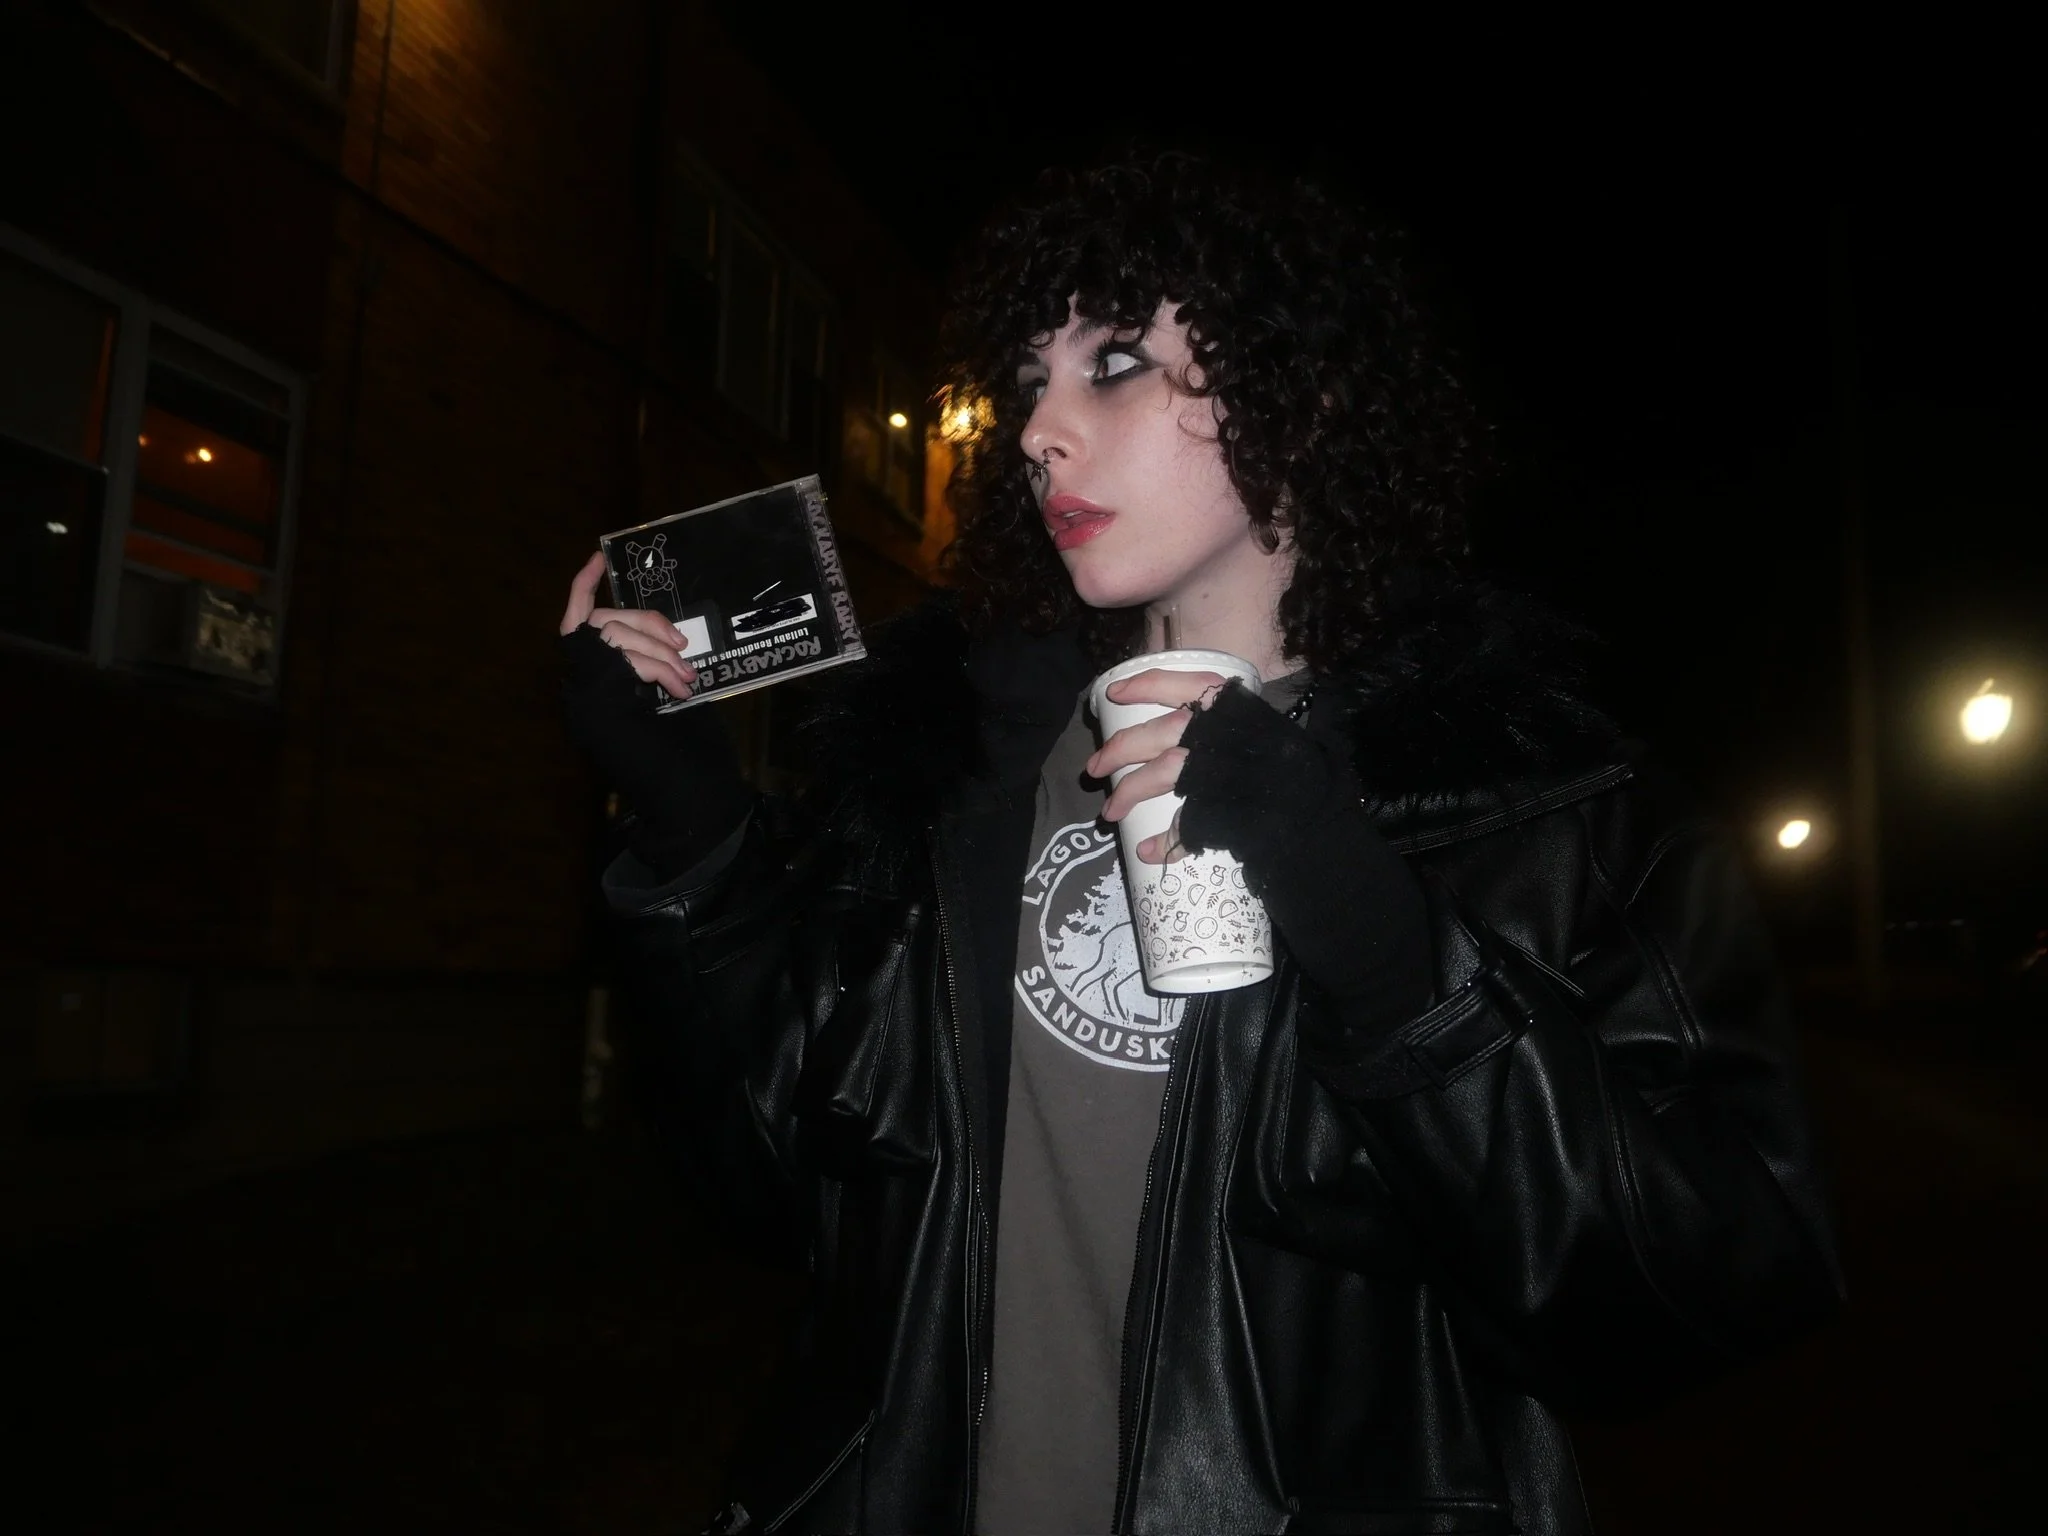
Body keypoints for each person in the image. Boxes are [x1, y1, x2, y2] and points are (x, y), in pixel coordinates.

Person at [560, 152, 1842, 1536]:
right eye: (1025, 384)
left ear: (1307, 393)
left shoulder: (1533, 804)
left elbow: (1694, 1298)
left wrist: (1394, 959)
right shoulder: (945, 779)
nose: (1039, 429)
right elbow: (768, 1188)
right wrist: (692, 832)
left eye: (1113, 361)